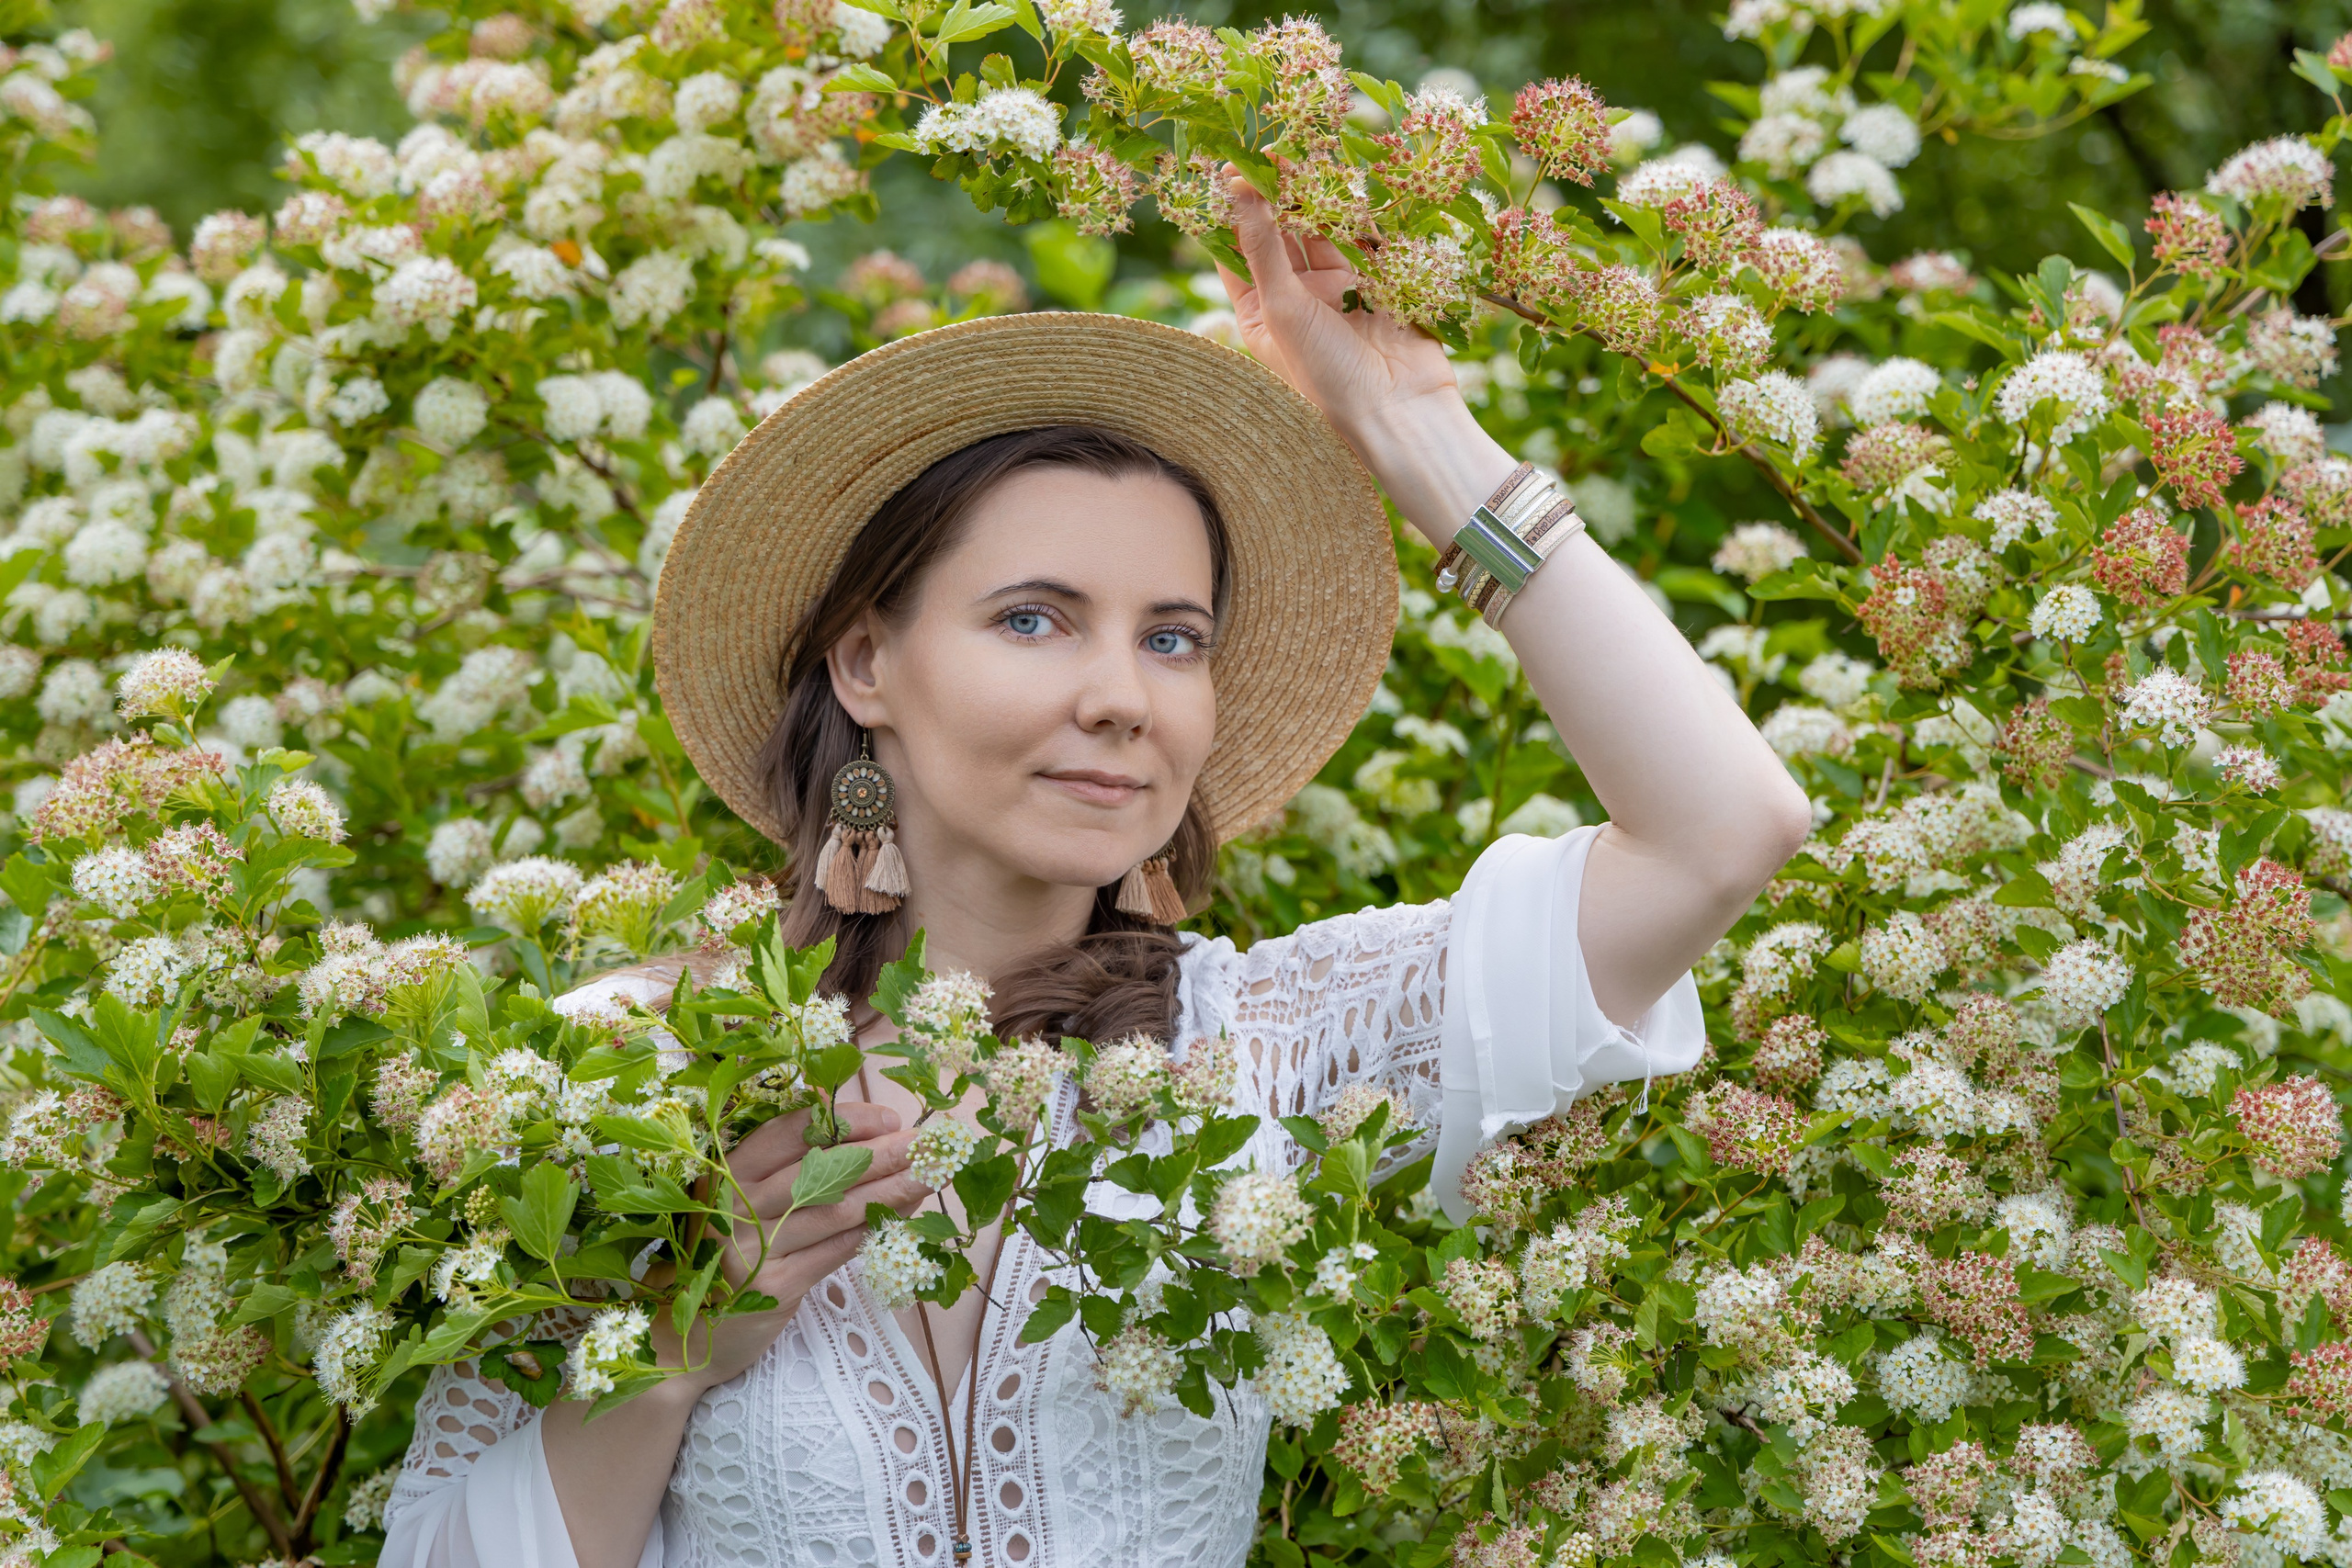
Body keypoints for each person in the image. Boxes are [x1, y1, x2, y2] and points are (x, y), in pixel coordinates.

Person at [379, 176, 1811, 1568]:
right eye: (1034, 619)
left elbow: (1720, 830)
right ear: (866, 661)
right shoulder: (631, 1079)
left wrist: (1414, 425)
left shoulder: (1270, 1052)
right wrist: (677, 1348)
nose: (1124, 697)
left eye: (1172, 639)